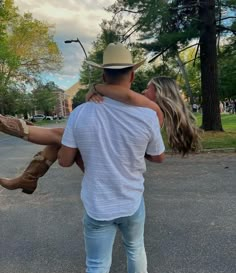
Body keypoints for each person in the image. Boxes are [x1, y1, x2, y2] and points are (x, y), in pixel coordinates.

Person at [57, 42, 165, 273]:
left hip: (97, 204)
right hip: (131, 200)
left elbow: (64, 160)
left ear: (104, 76)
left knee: (96, 267)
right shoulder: (147, 116)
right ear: (133, 75)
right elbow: (158, 157)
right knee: (135, 246)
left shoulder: (80, 114)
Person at [0, 62, 200, 195]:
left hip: (108, 173)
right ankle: (28, 178)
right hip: (112, 168)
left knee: (61, 135)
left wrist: (97, 87)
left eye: (148, 88)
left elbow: (127, 96)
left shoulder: (153, 111)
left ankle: (10, 127)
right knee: (61, 139)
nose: (143, 90)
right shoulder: (146, 112)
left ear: (159, 93)